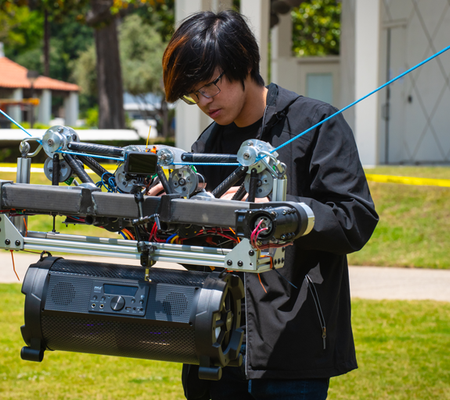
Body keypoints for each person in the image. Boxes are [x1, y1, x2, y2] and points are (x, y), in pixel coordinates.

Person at [161, 10, 379, 400]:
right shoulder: (208, 145)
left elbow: (354, 219)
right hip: (214, 344)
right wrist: (169, 213)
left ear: (244, 63)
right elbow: (203, 253)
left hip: (291, 348)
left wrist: (274, 210)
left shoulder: (316, 123)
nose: (204, 101)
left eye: (210, 86)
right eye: (194, 94)